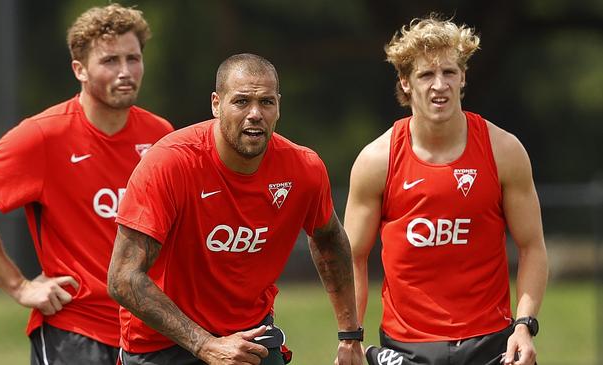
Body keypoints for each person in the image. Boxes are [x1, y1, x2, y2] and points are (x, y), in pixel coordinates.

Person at [107, 53, 364, 365]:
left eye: (266, 102)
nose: (255, 114)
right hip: (161, 344)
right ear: (217, 104)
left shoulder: (304, 169)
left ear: (278, 106)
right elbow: (123, 277)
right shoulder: (170, 163)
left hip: (249, 335)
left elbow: (329, 239)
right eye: (241, 102)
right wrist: (205, 345)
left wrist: (349, 336)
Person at [0, 4, 174, 364]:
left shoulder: (160, 134)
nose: (125, 72)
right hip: (75, 333)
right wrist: (19, 286)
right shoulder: (42, 135)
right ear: (79, 70)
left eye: (133, 59)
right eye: (109, 61)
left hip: (148, 331)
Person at [344, 15, 548, 365]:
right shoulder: (376, 160)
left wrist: (524, 325)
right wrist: (349, 336)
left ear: (463, 77)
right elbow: (352, 258)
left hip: (491, 343)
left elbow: (532, 246)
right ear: (406, 82)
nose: (440, 85)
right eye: (426, 75)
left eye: (449, 72)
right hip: (405, 348)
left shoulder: (504, 150)